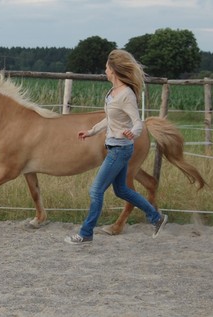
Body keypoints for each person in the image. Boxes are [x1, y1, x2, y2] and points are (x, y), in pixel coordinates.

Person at [65, 49, 168, 245]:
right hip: (113, 146)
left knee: (96, 191)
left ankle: (86, 233)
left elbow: (137, 122)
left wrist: (133, 133)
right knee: (121, 190)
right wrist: (91, 132)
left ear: (113, 70)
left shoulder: (126, 95)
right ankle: (157, 218)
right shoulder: (112, 92)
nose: (105, 70)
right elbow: (110, 118)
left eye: (106, 67)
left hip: (121, 149)